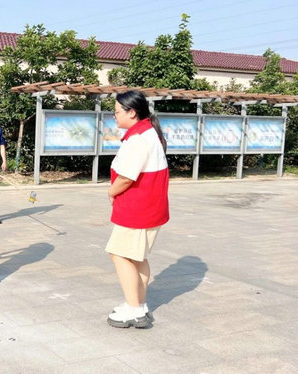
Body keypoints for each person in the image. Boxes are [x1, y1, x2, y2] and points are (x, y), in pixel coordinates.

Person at [105, 90, 169, 329]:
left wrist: (111, 192)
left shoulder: (138, 139)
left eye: (117, 112)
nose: (114, 116)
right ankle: (139, 305)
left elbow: (126, 177)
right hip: (151, 208)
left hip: (138, 209)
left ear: (132, 112)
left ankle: (133, 310)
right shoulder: (148, 132)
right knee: (137, 257)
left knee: (119, 254)